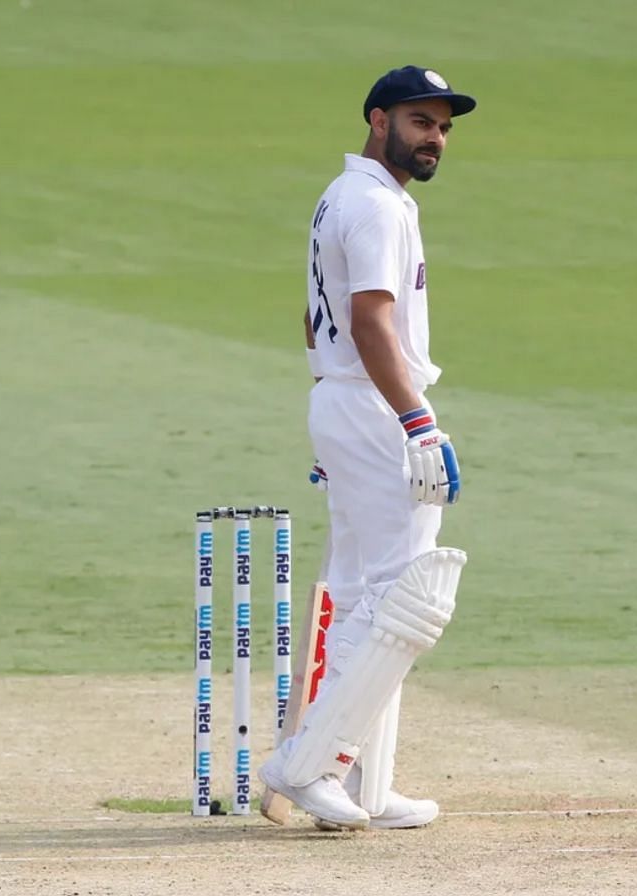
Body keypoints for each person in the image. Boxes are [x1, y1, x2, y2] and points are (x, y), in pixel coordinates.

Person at [259, 66, 475, 830]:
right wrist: (414, 421)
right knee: (405, 595)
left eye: (443, 126)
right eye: (421, 122)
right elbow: (370, 321)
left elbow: (314, 321)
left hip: (348, 400)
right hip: (377, 404)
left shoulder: (343, 196)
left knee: (360, 594)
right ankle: (307, 765)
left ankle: (362, 787)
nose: (435, 138)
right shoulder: (376, 205)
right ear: (378, 119)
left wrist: (337, 413)